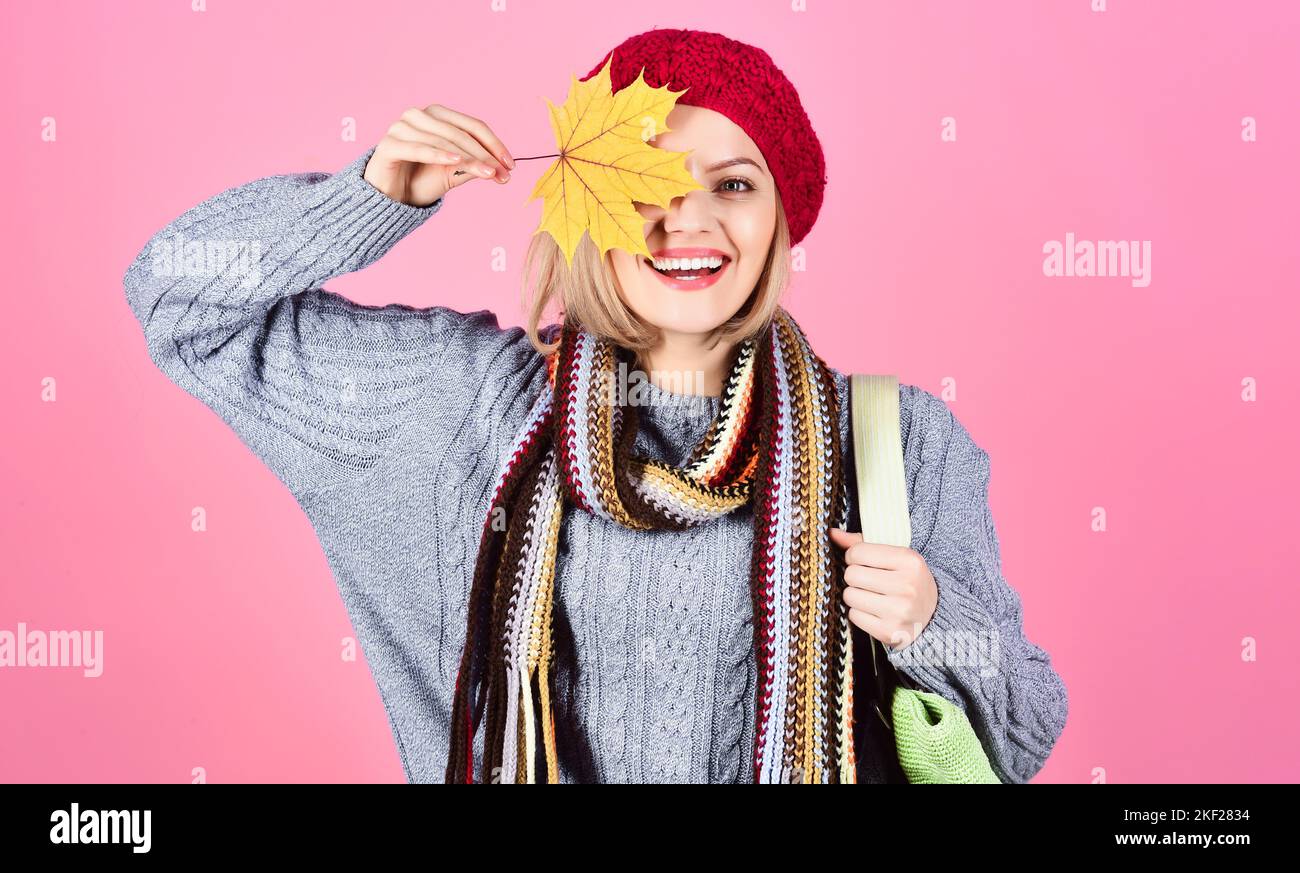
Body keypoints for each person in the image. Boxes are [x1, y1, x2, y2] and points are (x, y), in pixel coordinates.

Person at [123, 28, 1067, 784]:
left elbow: (1025, 731)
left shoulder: (897, 440)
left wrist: (933, 620)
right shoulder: (454, 407)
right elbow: (176, 299)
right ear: (583, 203)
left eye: (733, 184)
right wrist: (365, 200)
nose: (687, 218)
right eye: (642, 179)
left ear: (781, 218)